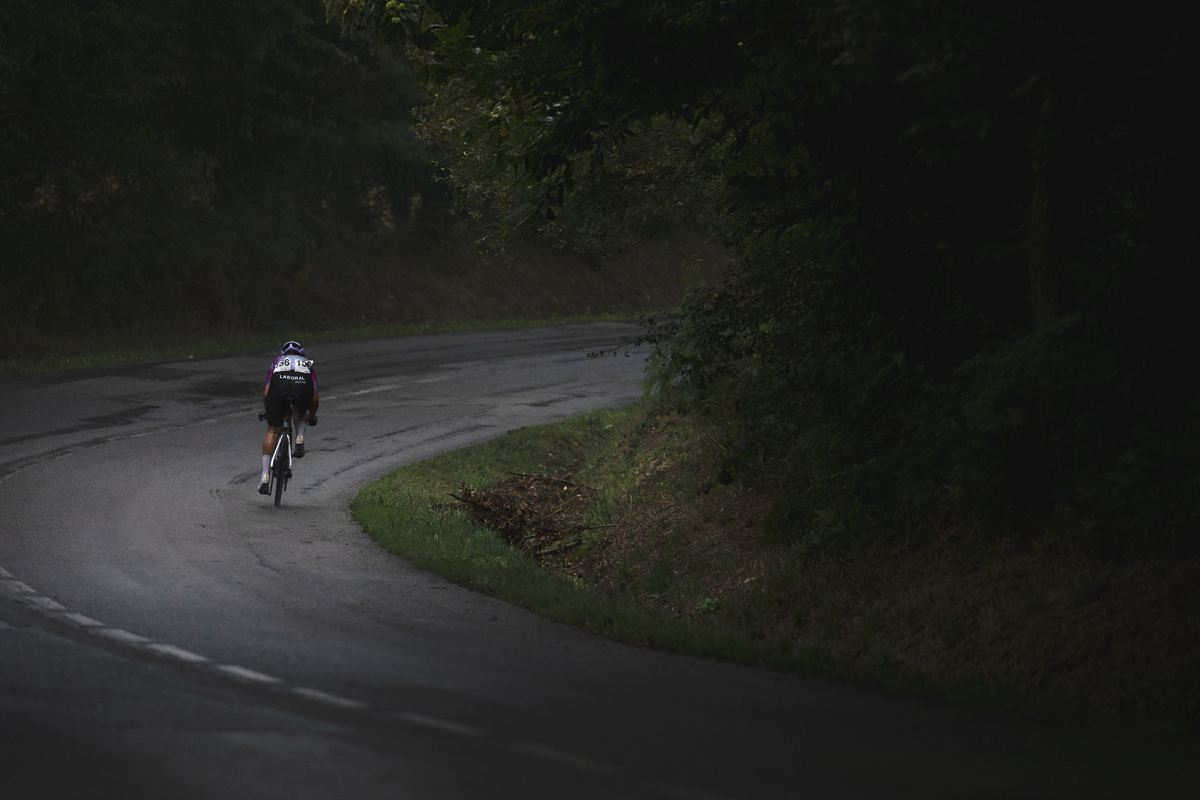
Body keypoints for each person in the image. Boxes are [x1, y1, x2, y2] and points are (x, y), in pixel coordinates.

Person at [259, 341, 319, 494]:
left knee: (272, 430)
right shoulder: (307, 364)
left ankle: (265, 476)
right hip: (302, 388)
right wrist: (310, 417)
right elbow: (314, 399)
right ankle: (299, 437)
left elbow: (267, 393)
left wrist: (269, 410)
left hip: (278, 388)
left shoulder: (277, 361)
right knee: (299, 412)